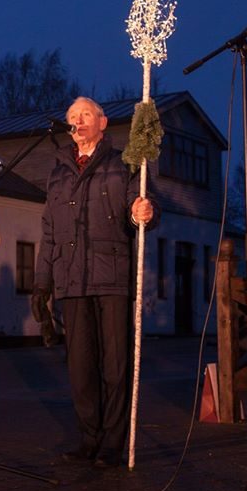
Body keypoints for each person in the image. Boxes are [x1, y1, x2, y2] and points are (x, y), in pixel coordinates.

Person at [32, 97, 158, 468]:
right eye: (72, 116)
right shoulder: (58, 172)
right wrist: (43, 283)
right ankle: (89, 437)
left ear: (102, 122)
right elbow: (49, 231)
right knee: (80, 366)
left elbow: (144, 204)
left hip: (112, 276)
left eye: (86, 114)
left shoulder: (126, 162)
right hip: (71, 279)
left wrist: (144, 211)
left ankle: (113, 443)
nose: (78, 120)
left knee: (115, 364)